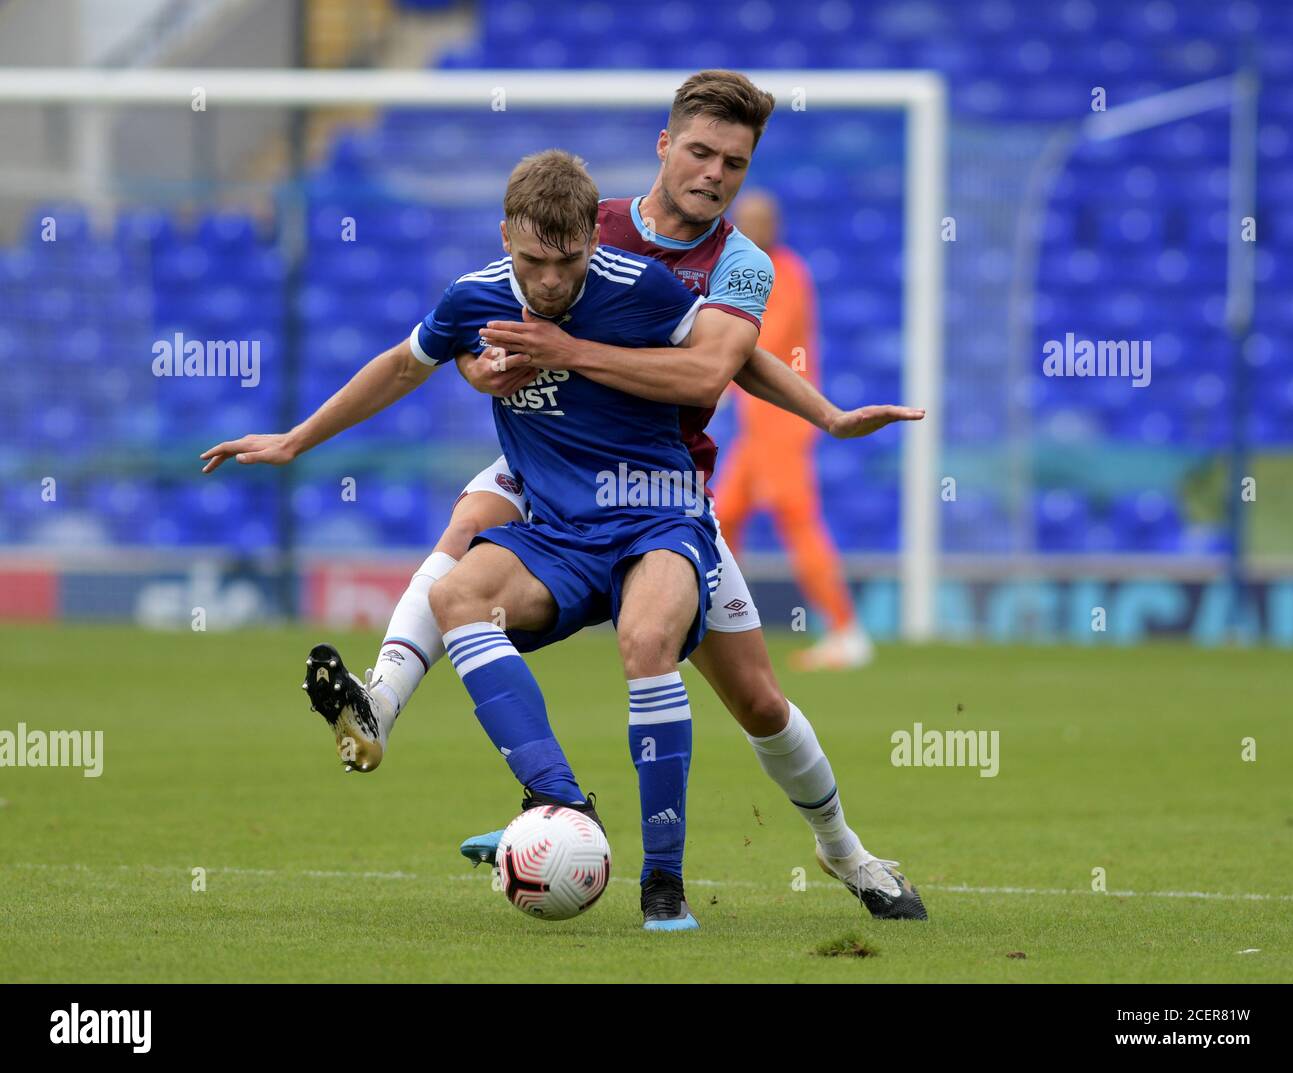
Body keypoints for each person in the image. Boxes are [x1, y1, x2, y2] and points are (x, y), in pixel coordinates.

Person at [202, 70, 927, 923]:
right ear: (665, 146)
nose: (714, 173)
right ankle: (401, 711)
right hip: (547, 461)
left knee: (759, 700)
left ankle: (841, 848)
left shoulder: (737, 264)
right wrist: (477, 369)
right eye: (700, 151)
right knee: (471, 530)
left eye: (734, 161)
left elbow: (715, 364)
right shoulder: (584, 217)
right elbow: (445, 347)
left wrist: (825, 414)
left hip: (660, 481)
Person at [715, 189, 874, 670]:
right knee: (723, 517)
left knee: (796, 518)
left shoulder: (784, 273)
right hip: (756, 421)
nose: (749, 227)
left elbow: (761, 335)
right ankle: (713, 620)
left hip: (783, 418)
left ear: (775, 225)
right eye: (743, 219)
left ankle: (846, 631)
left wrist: (711, 366)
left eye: (758, 219)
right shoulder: (748, 270)